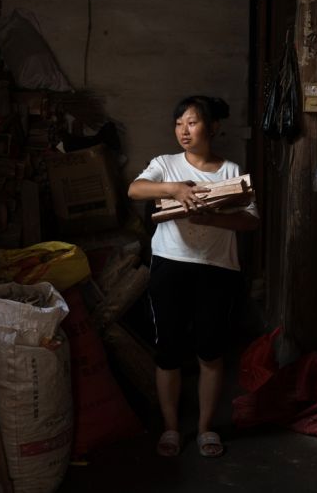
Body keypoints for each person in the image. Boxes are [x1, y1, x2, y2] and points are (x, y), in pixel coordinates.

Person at [128, 95, 259, 458]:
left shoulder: (231, 171)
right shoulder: (165, 164)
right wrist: (175, 189)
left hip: (217, 270)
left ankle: (204, 429)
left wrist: (211, 218)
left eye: (193, 122)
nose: (183, 131)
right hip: (170, 264)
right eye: (178, 123)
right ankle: (171, 429)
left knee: (210, 352)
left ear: (213, 128)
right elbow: (134, 189)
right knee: (168, 351)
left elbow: (251, 220)